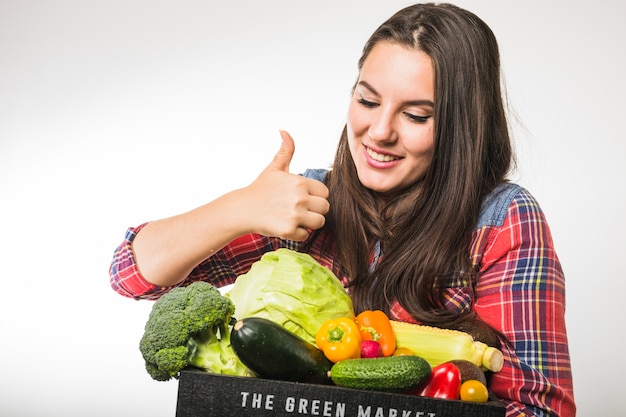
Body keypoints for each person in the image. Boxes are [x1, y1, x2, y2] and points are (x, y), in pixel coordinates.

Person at [109, 3, 575, 415]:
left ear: (462, 127)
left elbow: (536, 409)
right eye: (367, 100)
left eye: (416, 116)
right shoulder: (307, 202)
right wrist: (239, 208)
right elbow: (132, 274)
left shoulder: (501, 221)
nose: (378, 131)